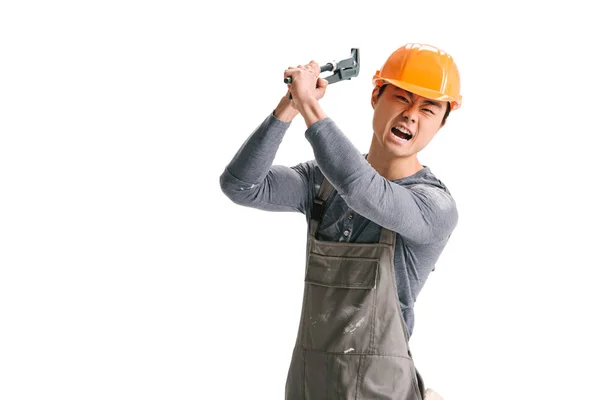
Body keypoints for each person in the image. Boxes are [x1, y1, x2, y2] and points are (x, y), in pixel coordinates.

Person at [219, 43, 462, 399]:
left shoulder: (434, 206)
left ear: (441, 123)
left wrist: (310, 106)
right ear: (376, 96)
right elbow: (241, 185)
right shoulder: (321, 182)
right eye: (402, 98)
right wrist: (288, 105)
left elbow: (364, 191)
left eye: (428, 109)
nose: (412, 115)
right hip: (309, 386)